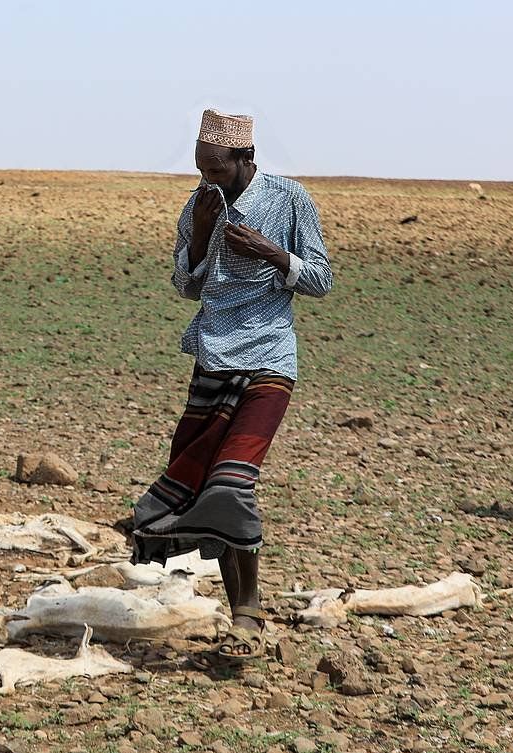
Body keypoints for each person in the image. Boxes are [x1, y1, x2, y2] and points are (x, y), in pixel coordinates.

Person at [130, 109, 333, 661]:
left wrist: (270, 252)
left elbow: (320, 279)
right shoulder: (198, 205)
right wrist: (198, 238)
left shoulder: (289, 199)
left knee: (230, 485)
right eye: (200, 169)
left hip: (270, 357)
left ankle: (245, 616)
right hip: (213, 359)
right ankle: (248, 609)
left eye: (215, 169)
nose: (206, 179)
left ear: (245, 158)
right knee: (203, 492)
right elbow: (185, 287)